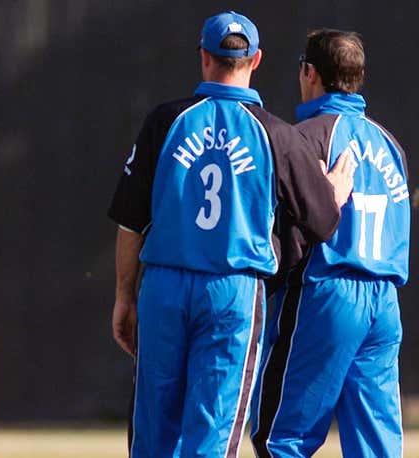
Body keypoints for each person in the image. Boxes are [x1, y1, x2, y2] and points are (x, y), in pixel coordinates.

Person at [108, 11, 355, 458]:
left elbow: (130, 222)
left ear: (204, 56)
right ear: (256, 60)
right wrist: (334, 191)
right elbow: (322, 219)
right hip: (233, 293)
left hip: (164, 285)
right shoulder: (276, 133)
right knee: (213, 434)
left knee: (152, 434)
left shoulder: (165, 122)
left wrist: (125, 295)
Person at [250, 29, 410, 458]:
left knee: (283, 439)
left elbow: (287, 230)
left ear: (309, 72)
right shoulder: (389, 142)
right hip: (384, 304)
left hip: (327, 292)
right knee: (377, 446)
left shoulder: (305, 138)